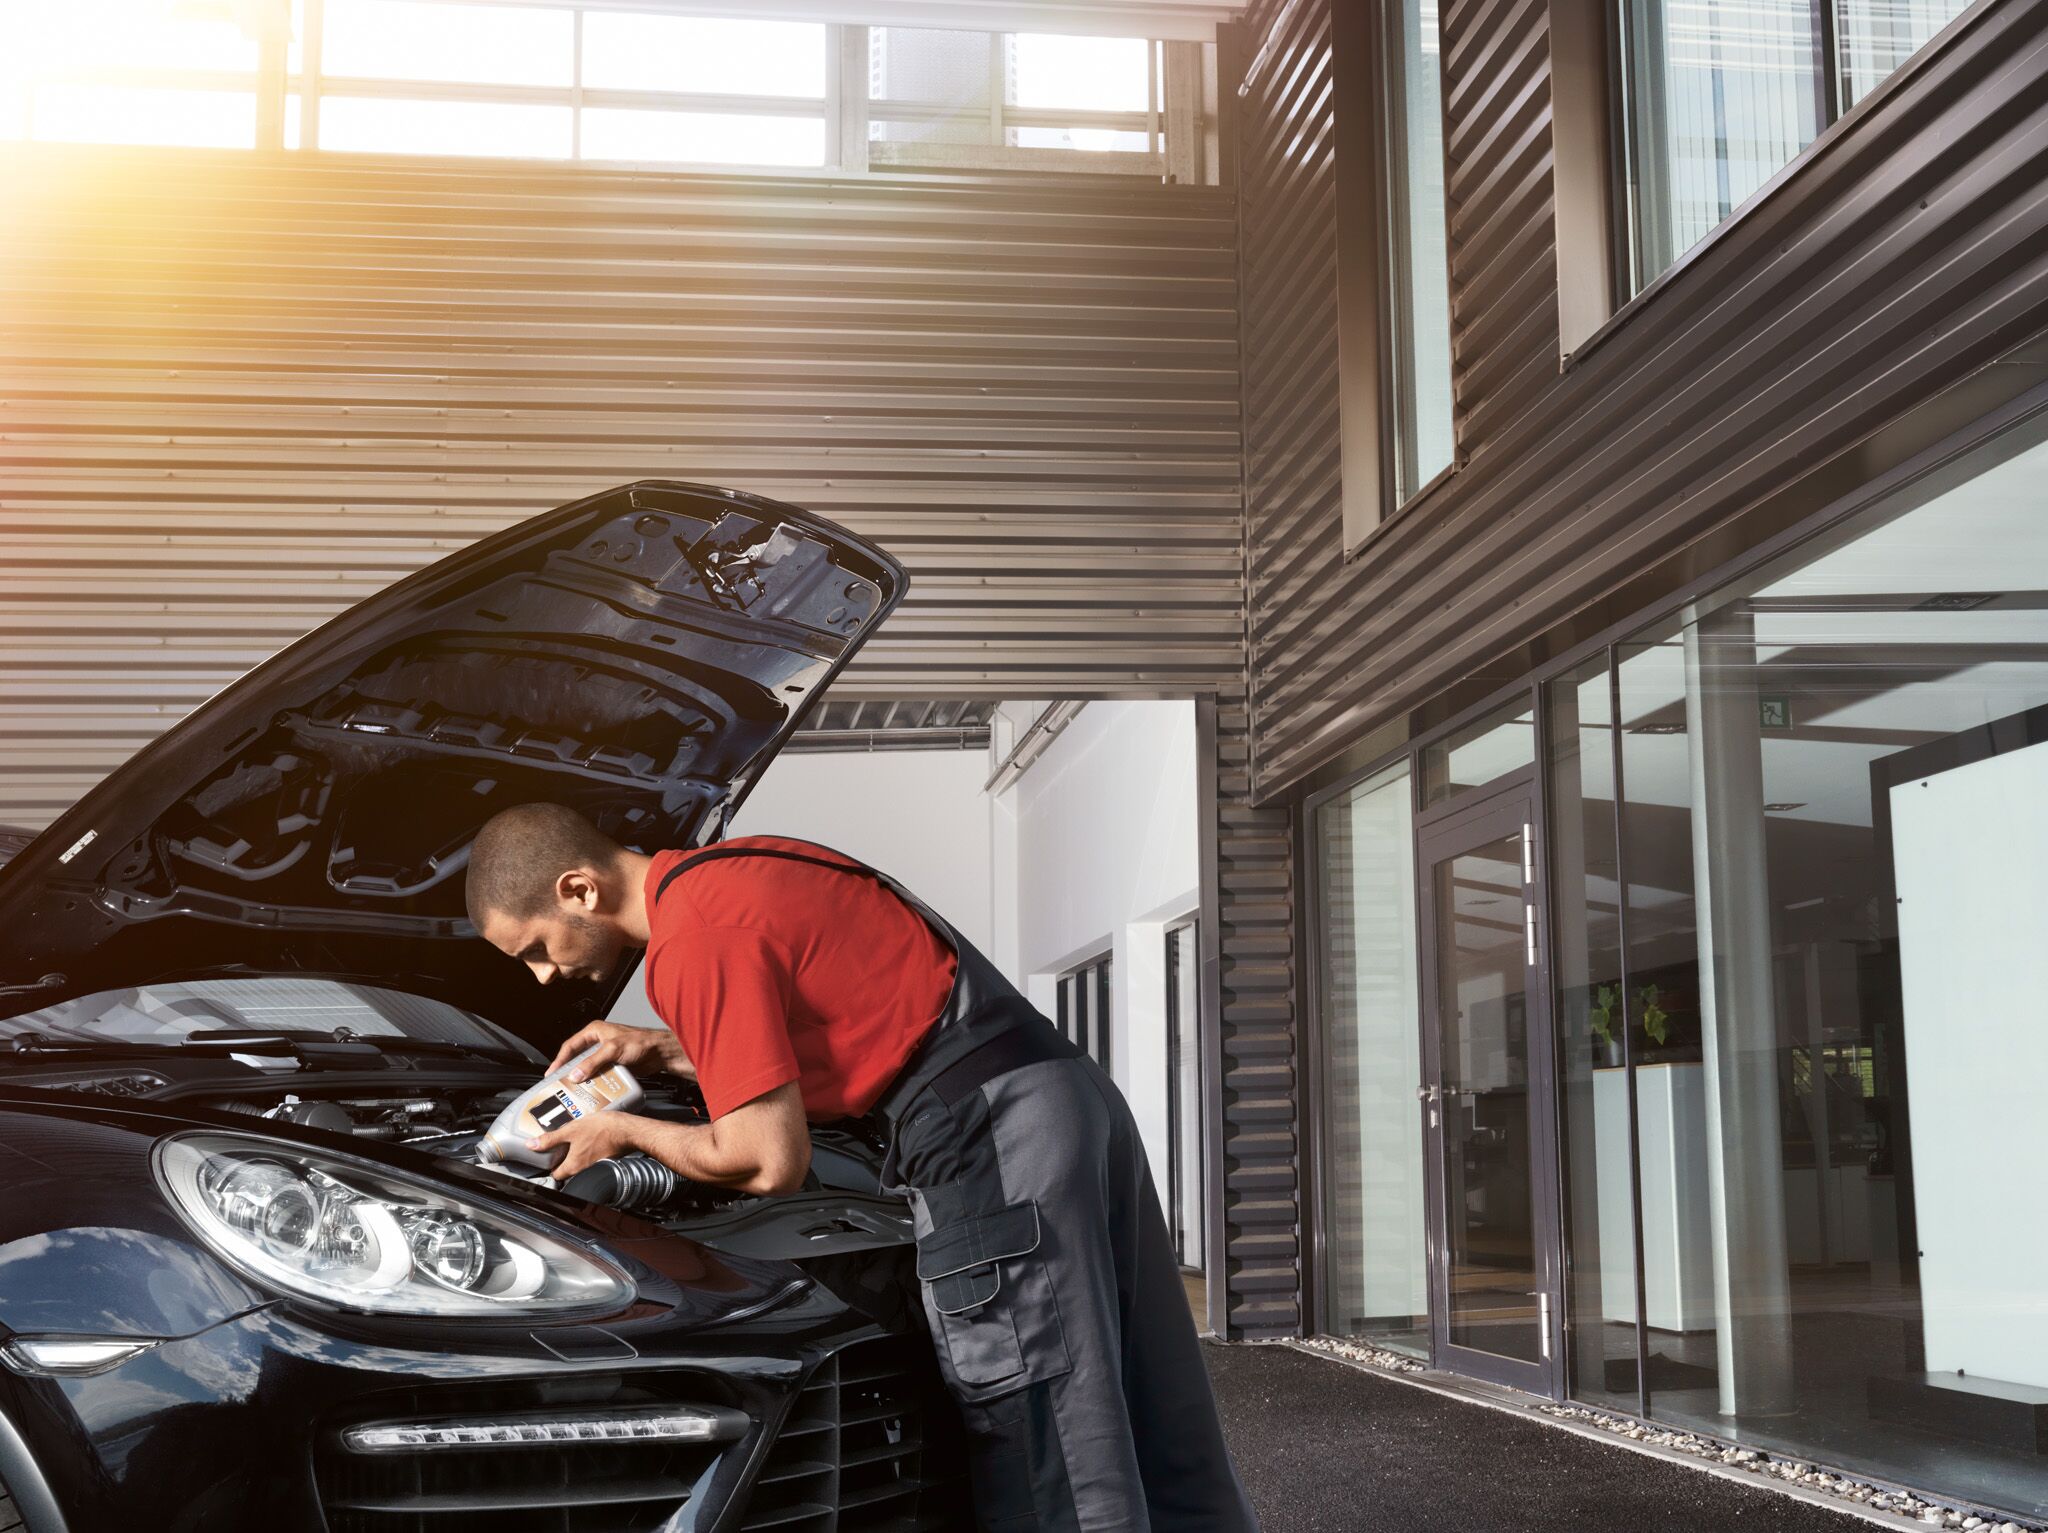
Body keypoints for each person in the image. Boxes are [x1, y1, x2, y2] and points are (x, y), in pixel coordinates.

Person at [465, 801, 1259, 1532]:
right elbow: (831, 1024)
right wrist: (664, 1048)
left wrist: (622, 1131)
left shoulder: (691, 942)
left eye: (534, 949)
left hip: (986, 1128)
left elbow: (766, 1160)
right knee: (1157, 1399)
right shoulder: (739, 871)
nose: (542, 975)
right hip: (1059, 1093)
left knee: (1045, 1427)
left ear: (579, 889)